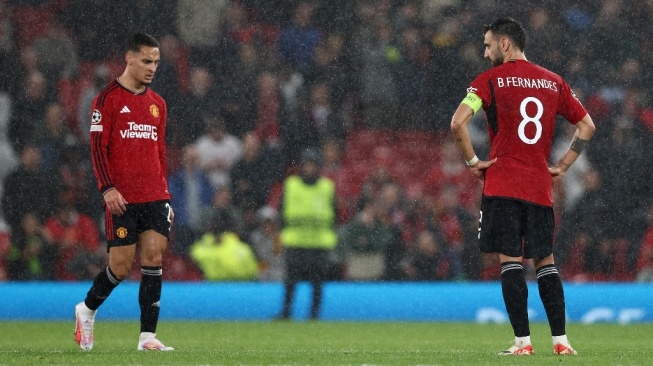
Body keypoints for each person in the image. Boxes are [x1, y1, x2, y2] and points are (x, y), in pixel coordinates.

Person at [449, 17, 595, 356]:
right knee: (546, 262)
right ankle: (561, 342)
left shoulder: (487, 82)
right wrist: (562, 166)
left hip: (502, 185)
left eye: (487, 45)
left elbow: (457, 122)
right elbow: (586, 125)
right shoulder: (554, 82)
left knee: (510, 261)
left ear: (504, 44)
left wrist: (472, 162)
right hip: (539, 187)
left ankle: (523, 343)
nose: (485, 54)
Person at [74, 33, 174, 351]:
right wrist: (107, 189)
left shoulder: (158, 105)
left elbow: (159, 153)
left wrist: (166, 194)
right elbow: (97, 149)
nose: (152, 67)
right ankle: (86, 310)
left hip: (155, 194)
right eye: (146, 61)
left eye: (156, 62)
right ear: (129, 58)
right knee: (120, 265)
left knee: (154, 256)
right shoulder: (107, 100)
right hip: (122, 197)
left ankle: (147, 336)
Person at [277, 149, 337, 320]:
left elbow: (335, 215)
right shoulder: (291, 185)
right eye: (306, 165)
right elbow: (281, 211)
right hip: (295, 241)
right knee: (290, 281)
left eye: (313, 165)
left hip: (319, 243)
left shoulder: (327, 187)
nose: (309, 169)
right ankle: (286, 312)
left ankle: (314, 315)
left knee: (317, 282)